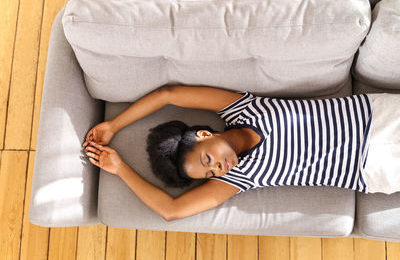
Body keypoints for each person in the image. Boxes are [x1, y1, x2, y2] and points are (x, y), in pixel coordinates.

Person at [82, 85, 400, 221]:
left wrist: (114, 124)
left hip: (379, 117)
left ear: (206, 134)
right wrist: (120, 167)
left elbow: (170, 94)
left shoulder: (244, 108)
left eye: (209, 160)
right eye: (210, 173)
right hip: (373, 168)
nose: (218, 168)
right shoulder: (238, 178)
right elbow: (171, 211)